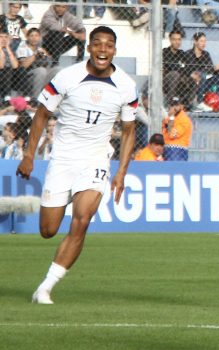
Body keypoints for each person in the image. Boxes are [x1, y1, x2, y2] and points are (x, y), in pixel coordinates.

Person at [16, 26, 138, 305]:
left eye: (108, 45)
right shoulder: (67, 78)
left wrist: (121, 171)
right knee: (48, 230)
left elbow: (129, 130)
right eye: (97, 44)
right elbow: (42, 114)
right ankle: (46, 280)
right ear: (89, 48)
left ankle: (45, 287)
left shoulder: (127, 86)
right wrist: (29, 155)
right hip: (63, 158)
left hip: (96, 158)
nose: (103, 50)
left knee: (82, 221)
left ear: (115, 51)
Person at [182, 32, 219, 110]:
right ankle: (199, 103)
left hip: (205, 82)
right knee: (201, 74)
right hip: (192, 82)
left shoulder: (206, 54)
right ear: (195, 42)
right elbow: (189, 71)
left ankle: (218, 103)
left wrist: (217, 70)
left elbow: (211, 70)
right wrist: (212, 68)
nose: (204, 43)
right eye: (201, 41)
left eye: (205, 41)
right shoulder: (187, 54)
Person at [16, 28, 61, 99]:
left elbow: (50, 63)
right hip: (29, 76)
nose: (34, 38)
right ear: (27, 37)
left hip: (44, 75)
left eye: (36, 36)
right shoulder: (22, 48)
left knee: (58, 69)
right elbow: (23, 65)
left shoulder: (40, 48)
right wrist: (35, 55)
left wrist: (46, 56)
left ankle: (54, 98)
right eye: (32, 36)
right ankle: (35, 99)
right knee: (41, 70)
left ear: (40, 37)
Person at [162, 96, 192, 161]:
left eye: (176, 105)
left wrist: (171, 117)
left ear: (181, 106)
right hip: (166, 149)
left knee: (174, 170)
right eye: (172, 105)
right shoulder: (168, 117)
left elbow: (171, 135)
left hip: (177, 150)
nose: (174, 107)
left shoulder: (184, 119)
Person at [162, 30, 188, 104]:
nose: (177, 42)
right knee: (174, 74)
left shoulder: (182, 54)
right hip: (165, 82)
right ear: (170, 40)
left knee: (192, 78)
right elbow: (168, 69)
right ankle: (170, 103)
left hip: (180, 80)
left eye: (179, 39)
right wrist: (179, 68)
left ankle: (188, 105)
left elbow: (186, 69)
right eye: (174, 39)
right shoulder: (165, 52)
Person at [0, 30, 19, 100]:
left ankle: (7, 97)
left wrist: (7, 48)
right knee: (6, 70)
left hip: (10, 74)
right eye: (1, 37)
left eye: (6, 37)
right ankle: (6, 97)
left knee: (9, 70)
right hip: (2, 72)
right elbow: (1, 66)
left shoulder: (11, 50)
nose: (4, 39)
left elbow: (15, 66)